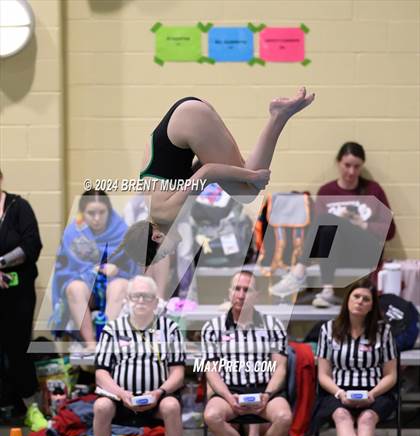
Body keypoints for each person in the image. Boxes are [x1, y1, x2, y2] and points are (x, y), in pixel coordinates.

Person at [116, 87, 315, 267]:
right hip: (185, 114)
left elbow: (208, 171)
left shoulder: (165, 214)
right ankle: (279, 116)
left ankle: (278, 115)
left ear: (157, 237)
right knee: (242, 186)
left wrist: (252, 176)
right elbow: (199, 168)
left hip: (189, 120)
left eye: (164, 253)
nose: (172, 252)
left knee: (247, 192)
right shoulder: (153, 206)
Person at [90, 275, 187, 436]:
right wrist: (121, 393)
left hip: (157, 400)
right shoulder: (112, 330)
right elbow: (101, 372)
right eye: (136, 296)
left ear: (155, 301)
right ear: (127, 300)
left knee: (172, 405)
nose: (141, 301)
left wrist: (159, 392)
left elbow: (178, 373)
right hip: (120, 400)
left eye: (146, 296)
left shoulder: (170, 329)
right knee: (101, 406)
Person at [269, 142, 396, 307]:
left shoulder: (373, 189)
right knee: (326, 226)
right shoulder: (326, 191)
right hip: (337, 255)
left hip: (366, 252)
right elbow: (319, 234)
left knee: (326, 220)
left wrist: (362, 224)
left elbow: (391, 231)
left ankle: (299, 271)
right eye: (347, 165)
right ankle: (327, 290)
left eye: (357, 167)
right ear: (338, 163)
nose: (351, 171)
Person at [201, 270, 291, 436]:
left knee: (284, 416)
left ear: (257, 295)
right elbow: (210, 370)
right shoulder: (213, 327)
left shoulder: (273, 325)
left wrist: (268, 394)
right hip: (229, 391)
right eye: (236, 289)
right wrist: (227, 396)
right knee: (211, 415)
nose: (240, 294)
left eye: (247, 290)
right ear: (229, 293)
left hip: (264, 390)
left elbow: (280, 367)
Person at [313, 278, 397, 436]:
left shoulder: (383, 331)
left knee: (367, 418)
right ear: (347, 300)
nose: (360, 302)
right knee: (341, 415)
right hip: (338, 391)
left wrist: (373, 394)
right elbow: (323, 374)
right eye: (356, 297)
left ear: (372, 305)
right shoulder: (328, 329)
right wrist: (340, 393)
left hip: (375, 391)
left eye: (366, 299)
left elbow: (391, 374)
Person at [51, 190, 138, 348]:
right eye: (91, 213)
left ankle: (106, 341)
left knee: (120, 286)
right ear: (82, 213)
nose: (97, 218)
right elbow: (63, 270)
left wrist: (117, 269)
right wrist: (90, 271)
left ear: (109, 211)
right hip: (86, 290)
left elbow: (134, 267)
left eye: (101, 212)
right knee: (74, 288)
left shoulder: (122, 231)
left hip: (113, 286)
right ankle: (90, 343)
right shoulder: (73, 233)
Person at [0, 168, 46, 430]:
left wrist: (1, 263)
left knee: (19, 348)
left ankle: (32, 408)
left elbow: (32, 245)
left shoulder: (19, 207)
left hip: (18, 293)